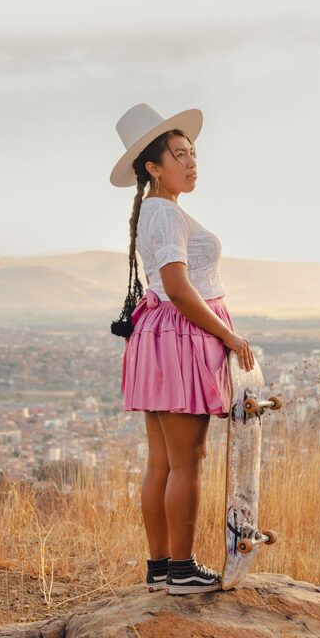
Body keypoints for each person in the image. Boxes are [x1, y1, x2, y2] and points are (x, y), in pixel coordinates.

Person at [110, 103, 254, 595]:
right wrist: (227, 334)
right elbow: (177, 285)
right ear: (153, 166)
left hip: (159, 337)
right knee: (187, 461)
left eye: (193, 153)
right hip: (180, 337)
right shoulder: (165, 214)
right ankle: (182, 569)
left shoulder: (155, 210)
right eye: (179, 155)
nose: (192, 162)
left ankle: (160, 568)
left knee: (162, 463)